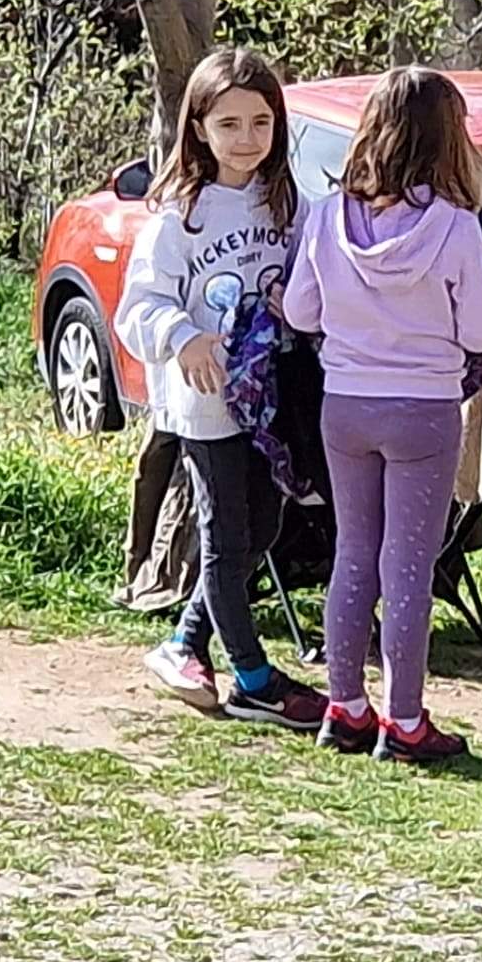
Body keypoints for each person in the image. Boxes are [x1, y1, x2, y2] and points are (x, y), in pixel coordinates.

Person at [281, 67, 482, 767]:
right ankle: (404, 720)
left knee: (353, 554)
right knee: (406, 566)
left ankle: (344, 706)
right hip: (425, 410)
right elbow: (481, 331)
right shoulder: (456, 227)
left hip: (345, 404)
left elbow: (299, 312)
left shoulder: (323, 217)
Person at [116, 47, 327, 730]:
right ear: (199, 127)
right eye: (229, 123)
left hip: (269, 403)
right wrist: (184, 336)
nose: (247, 139)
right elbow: (138, 306)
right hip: (204, 403)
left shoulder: (289, 205)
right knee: (224, 535)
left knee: (262, 527)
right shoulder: (178, 214)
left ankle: (183, 642)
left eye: (261, 122)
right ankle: (255, 677)